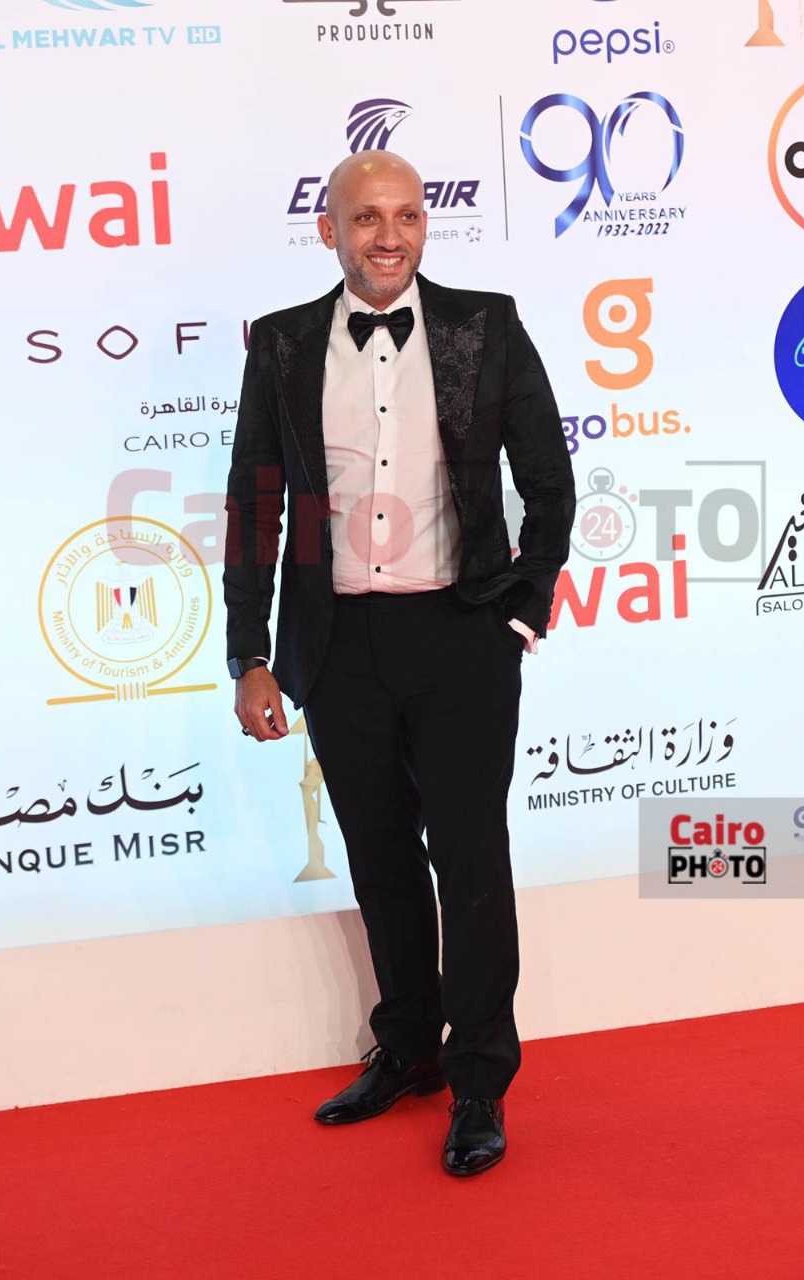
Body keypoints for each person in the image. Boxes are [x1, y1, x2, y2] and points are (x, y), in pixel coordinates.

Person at [224, 150, 575, 1177]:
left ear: (425, 225)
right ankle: (410, 1047)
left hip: (461, 635)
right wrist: (250, 652)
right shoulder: (282, 342)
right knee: (377, 856)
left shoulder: (484, 325)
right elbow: (254, 504)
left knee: (469, 860)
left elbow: (548, 480)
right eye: (367, 218)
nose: (389, 236)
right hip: (337, 645)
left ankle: (479, 1081)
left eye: (408, 215)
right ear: (327, 230)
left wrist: (520, 608)